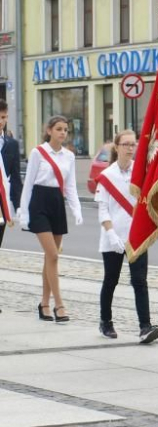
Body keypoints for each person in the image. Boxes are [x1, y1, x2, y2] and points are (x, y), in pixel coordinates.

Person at [95, 130, 158, 344]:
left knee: (140, 281)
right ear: (117, 147)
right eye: (126, 144)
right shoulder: (107, 176)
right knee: (111, 280)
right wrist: (111, 233)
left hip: (136, 236)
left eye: (133, 144)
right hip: (112, 236)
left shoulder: (140, 172)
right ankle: (106, 321)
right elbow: (103, 209)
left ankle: (145, 326)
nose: (130, 148)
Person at [19, 116, 83, 322]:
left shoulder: (69, 157)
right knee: (53, 255)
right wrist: (24, 213)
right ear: (49, 131)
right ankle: (59, 305)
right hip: (39, 202)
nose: (63, 133)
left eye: (66, 130)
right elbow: (28, 183)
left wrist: (77, 209)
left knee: (50, 258)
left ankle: (44, 304)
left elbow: (71, 186)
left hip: (57, 203)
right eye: (58, 129)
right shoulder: (38, 152)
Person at [0, 99, 22, 249]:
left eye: (4, 117)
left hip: (2, 202)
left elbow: (15, 177)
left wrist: (19, 205)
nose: (2, 121)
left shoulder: (12, 144)